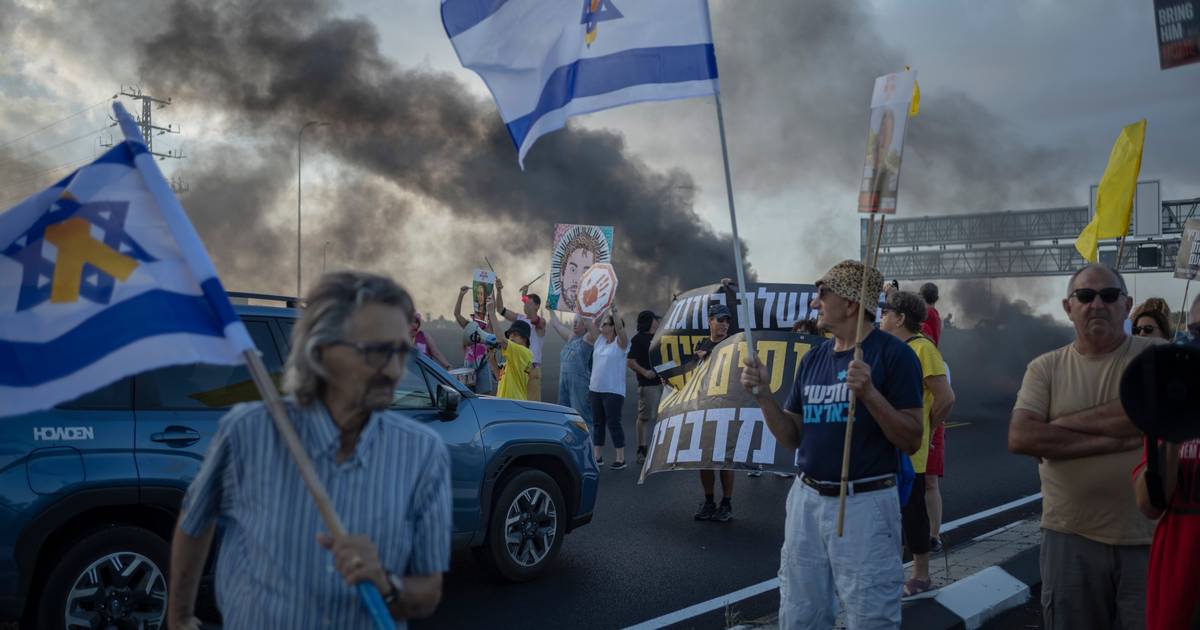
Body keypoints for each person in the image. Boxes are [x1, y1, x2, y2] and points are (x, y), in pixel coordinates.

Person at [167, 272, 451, 629]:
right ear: (320, 352)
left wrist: (386, 585)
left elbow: (429, 592)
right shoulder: (247, 433)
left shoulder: (423, 452)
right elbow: (194, 523)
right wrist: (178, 619)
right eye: (378, 352)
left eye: (401, 352)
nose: (395, 370)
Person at [741, 260, 923, 628]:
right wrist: (762, 395)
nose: (814, 303)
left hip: (864, 505)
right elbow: (792, 436)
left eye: (823, 294)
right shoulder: (814, 359)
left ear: (852, 304)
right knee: (800, 613)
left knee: (870, 614)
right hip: (806, 501)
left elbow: (911, 438)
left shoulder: (894, 356)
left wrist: (870, 393)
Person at [1008, 264, 1163, 630]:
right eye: (1086, 296)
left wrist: (1058, 428)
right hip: (1070, 538)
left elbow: (1140, 415)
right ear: (1068, 306)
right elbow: (1022, 438)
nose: (1097, 304)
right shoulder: (1044, 368)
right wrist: (1122, 438)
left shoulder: (1157, 358)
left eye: (1109, 296)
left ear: (1127, 305)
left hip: (1148, 539)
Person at [879, 291, 955, 598]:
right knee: (889, 511)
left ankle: (921, 575)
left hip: (911, 448)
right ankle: (889, 573)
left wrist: (928, 426)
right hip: (888, 444)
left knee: (912, 512)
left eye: (886, 313)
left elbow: (946, 397)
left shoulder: (923, 348)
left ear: (899, 318)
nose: (882, 318)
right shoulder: (892, 349)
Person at [694, 289, 739, 521]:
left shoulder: (734, 343)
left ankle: (727, 503)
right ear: (710, 321)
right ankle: (710, 501)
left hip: (727, 408)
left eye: (727, 321)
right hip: (704, 409)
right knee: (705, 459)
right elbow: (692, 378)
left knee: (725, 459)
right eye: (720, 320)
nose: (724, 325)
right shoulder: (701, 344)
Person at [582, 305, 630, 469]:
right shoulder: (600, 341)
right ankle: (597, 456)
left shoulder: (621, 343)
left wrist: (614, 312)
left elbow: (621, 329)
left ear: (613, 327)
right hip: (595, 389)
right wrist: (581, 304)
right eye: (602, 325)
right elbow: (588, 322)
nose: (602, 327)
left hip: (613, 391)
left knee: (613, 423)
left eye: (605, 324)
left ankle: (620, 458)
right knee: (598, 423)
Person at [918, 281, 946, 553]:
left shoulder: (928, 319)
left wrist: (932, 424)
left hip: (929, 413)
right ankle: (922, 534)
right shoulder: (932, 319)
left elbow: (945, 398)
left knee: (929, 479)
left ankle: (933, 535)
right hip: (918, 411)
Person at [495, 277, 547, 401]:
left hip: (531, 368)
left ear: (537, 306)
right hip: (516, 365)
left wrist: (524, 296)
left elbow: (532, 316)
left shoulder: (541, 322)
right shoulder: (519, 318)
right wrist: (499, 290)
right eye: (525, 301)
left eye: (529, 302)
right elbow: (500, 309)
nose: (525, 303)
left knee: (532, 405)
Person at [628, 310, 663, 466]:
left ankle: (662, 450)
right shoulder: (638, 339)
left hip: (663, 383)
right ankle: (642, 450)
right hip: (648, 385)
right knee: (644, 418)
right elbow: (630, 361)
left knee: (663, 417)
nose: (657, 321)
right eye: (655, 319)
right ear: (649, 321)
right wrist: (645, 372)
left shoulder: (660, 337)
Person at [548, 308, 593, 427]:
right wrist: (550, 309)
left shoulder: (588, 340)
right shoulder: (571, 338)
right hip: (564, 386)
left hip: (580, 386)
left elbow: (595, 325)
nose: (574, 323)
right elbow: (557, 325)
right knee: (565, 415)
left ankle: (589, 444)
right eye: (574, 320)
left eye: (578, 321)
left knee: (582, 418)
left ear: (586, 325)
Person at [489, 303, 534, 401]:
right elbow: (500, 379)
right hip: (507, 404)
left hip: (514, 405)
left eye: (515, 334)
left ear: (525, 339)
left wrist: (491, 313)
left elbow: (501, 340)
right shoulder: (514, 356)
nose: (511, 337)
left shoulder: (523, 352)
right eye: (510, 334)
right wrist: (493, 362)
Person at [455, 285, 494, 395]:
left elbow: (492, 316)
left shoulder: (488, 327)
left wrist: (491, 295)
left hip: (483, 364)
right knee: (468, 395)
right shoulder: (470, 326)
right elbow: (457, 315)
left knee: (484, 396)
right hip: (470, 364)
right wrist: (461, 295)